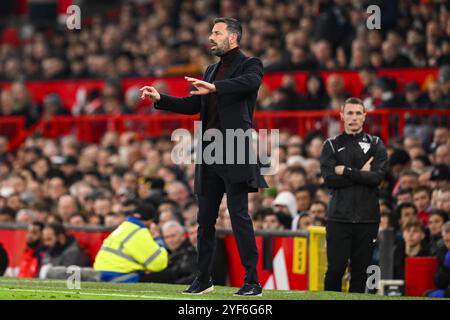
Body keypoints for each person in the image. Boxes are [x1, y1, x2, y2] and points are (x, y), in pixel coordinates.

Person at [140, 17, 267, 296]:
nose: (211, 37)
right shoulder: (210, 70)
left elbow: (249, 83)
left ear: (233, 38)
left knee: (239, 216)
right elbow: (194, 105)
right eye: (211, 32)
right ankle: (204, 279)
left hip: (235, 148)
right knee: (204, 219)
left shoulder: (251, 64)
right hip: (209, 150)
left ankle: (252, 281)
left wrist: (217, 88)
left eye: (217, 33)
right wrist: (160, 98)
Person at [320, 97, 388, 293]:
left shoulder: (376, 144)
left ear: (364, 116)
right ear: (341, 116)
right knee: (335, 269)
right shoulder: (331, 145)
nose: (354, 117)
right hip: (338, 218)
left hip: (368, 218)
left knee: (361, 272)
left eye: (358, 113)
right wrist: (361, 173)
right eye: (349, 113)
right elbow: (330, 180)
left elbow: (377, 178)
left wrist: (347, 171)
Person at [93, 203, 168, 283]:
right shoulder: (140, 232)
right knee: (165, 275)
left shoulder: (123, 227)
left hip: (100, 274)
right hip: (118, 277)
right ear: (150, 221)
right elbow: (159, 264)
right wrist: (158, 239)